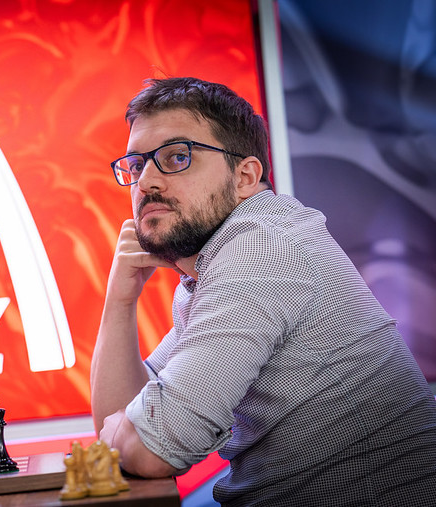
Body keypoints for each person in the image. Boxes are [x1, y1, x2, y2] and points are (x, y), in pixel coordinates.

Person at [90, 77, 436, 505]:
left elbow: (154, 449)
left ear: (245, 176)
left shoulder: (261, 247)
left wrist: (131, 429)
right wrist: (120, 299)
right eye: (136, 165)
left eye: (177, 157)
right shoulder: (212, 269)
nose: (146, 182)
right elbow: (119, 427)